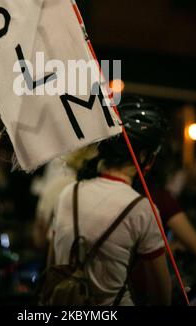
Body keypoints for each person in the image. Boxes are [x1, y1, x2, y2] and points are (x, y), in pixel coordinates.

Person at [50, 95, 172, 306]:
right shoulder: (143, 209)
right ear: (143, 157)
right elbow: (161, 295)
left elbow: (52, 265)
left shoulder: (69, 192)